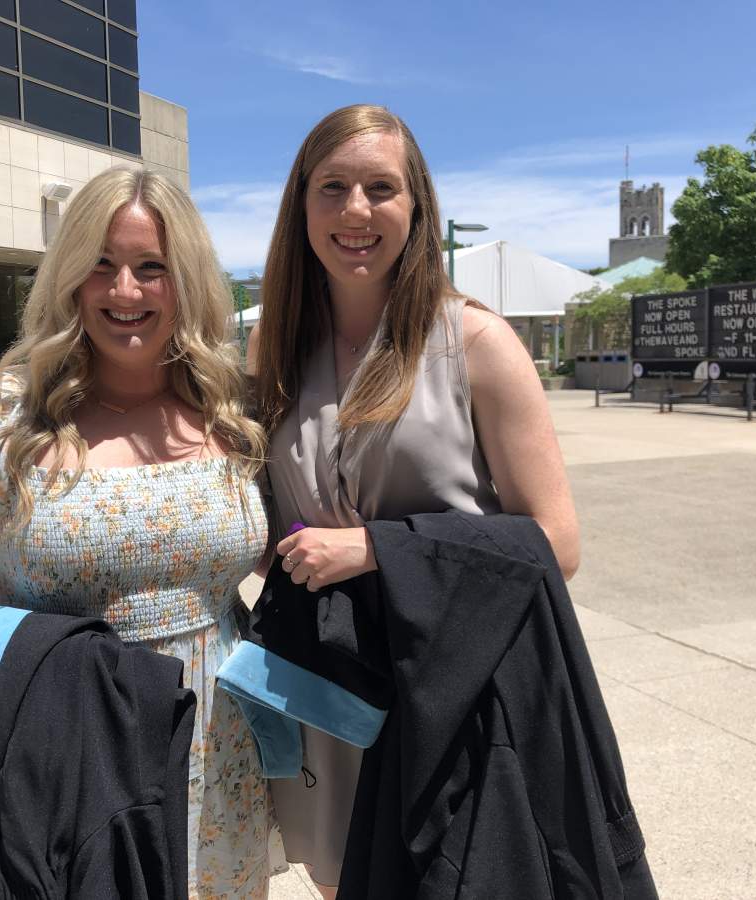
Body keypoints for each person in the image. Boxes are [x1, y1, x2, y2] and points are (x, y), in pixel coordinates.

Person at [0, 167, 277, 897]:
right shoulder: (4, 414)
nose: (124, 291)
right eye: (101, 265)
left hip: (222, 758)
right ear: (69, 277)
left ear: (185, 280)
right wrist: (6, 693)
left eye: (150, 268)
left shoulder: (228, 408)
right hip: (69, 753)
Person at [248, 104, 580, 897]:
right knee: (344, 880)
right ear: (301, 206)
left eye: (380, 188)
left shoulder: (477, 344)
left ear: (417, 208)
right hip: (329, 686)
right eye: (332, 187)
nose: (355, 211)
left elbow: (557, 544)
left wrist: (375, 551)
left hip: (452, 685)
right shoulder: (273, 354)